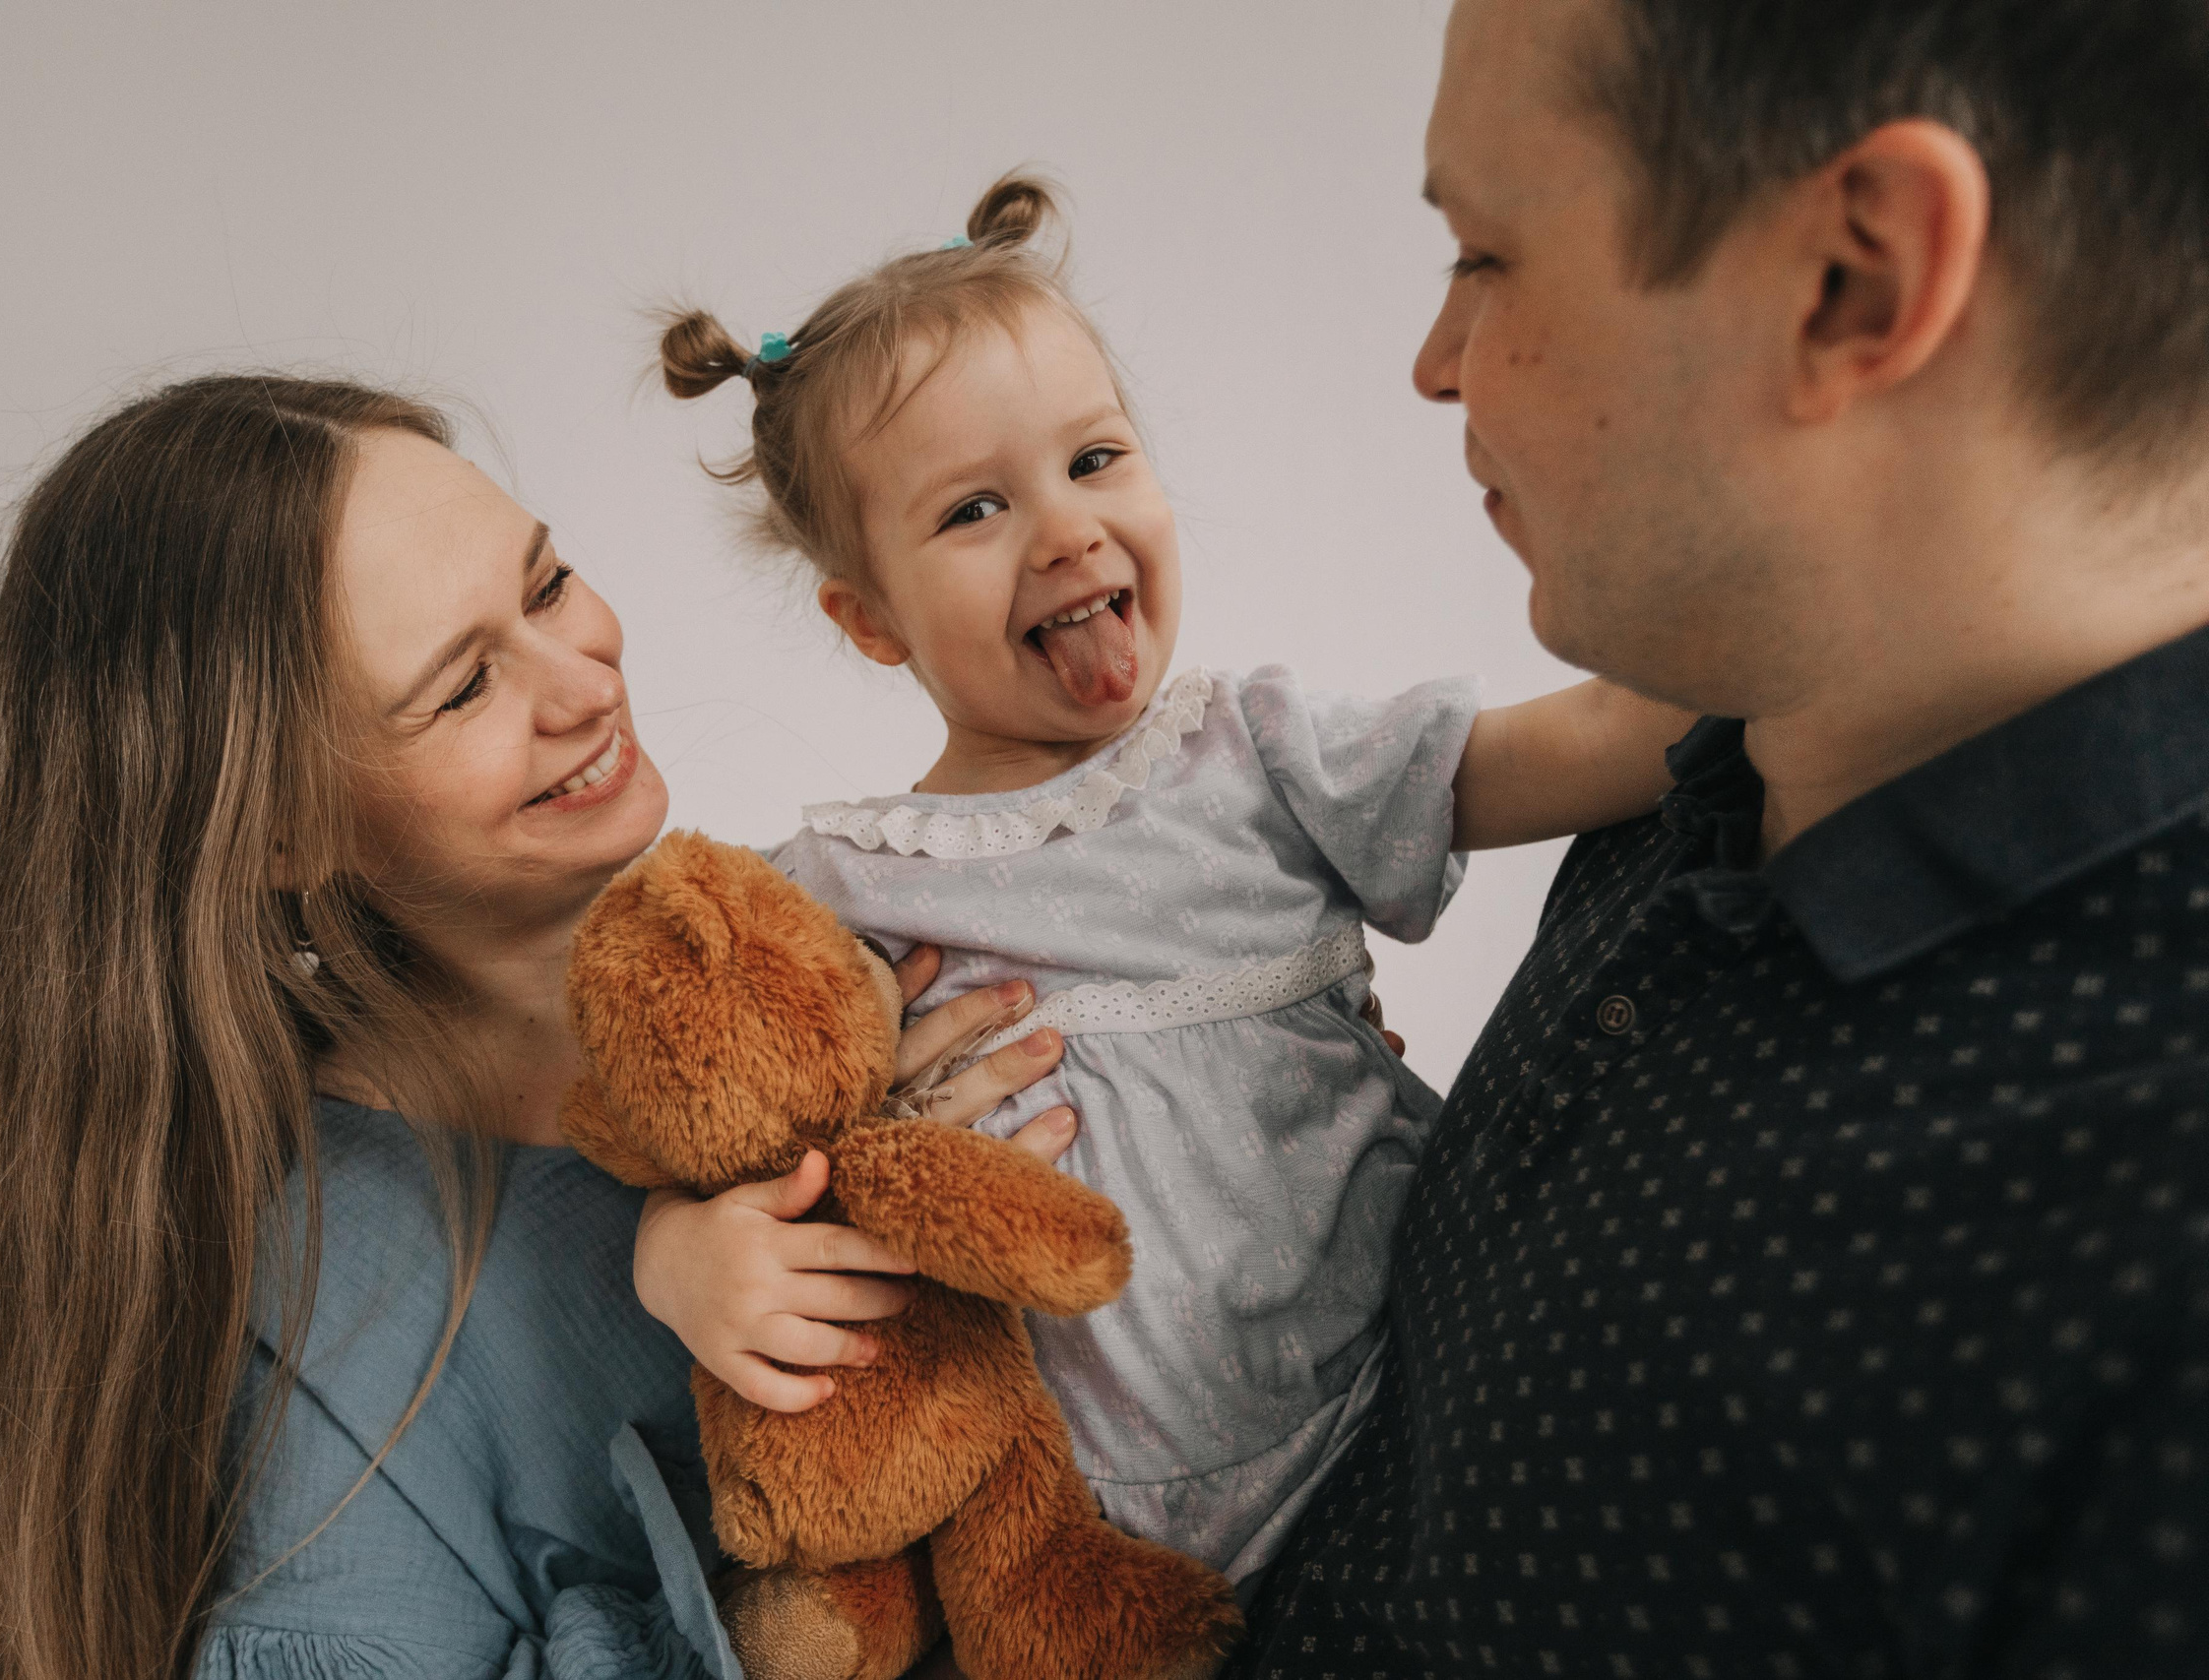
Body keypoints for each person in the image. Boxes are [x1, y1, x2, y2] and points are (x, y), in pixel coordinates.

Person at [1238, 1, 2209, 1674]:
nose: (1436, 358)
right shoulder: (1728, 740)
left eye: (1486, 253)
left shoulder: (2145, 1284)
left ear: (1859, 279)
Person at [0, 374, 1078, 1680]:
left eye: (546, 586)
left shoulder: (825, 964)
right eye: (461, 689)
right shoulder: (333, 1315)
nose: (581, 685)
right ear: (282, 828)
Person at [635, 171, 1690, 1599]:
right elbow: (690, 1099)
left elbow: (1570, 750)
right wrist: (679, 1253)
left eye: (1096, 459)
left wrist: (1825, 641)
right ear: (869, 619)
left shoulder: (1249, 752)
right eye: (974, 510)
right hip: (1087, 1533)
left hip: (1404, 1415)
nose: (1066, 531)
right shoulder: (843, 890)